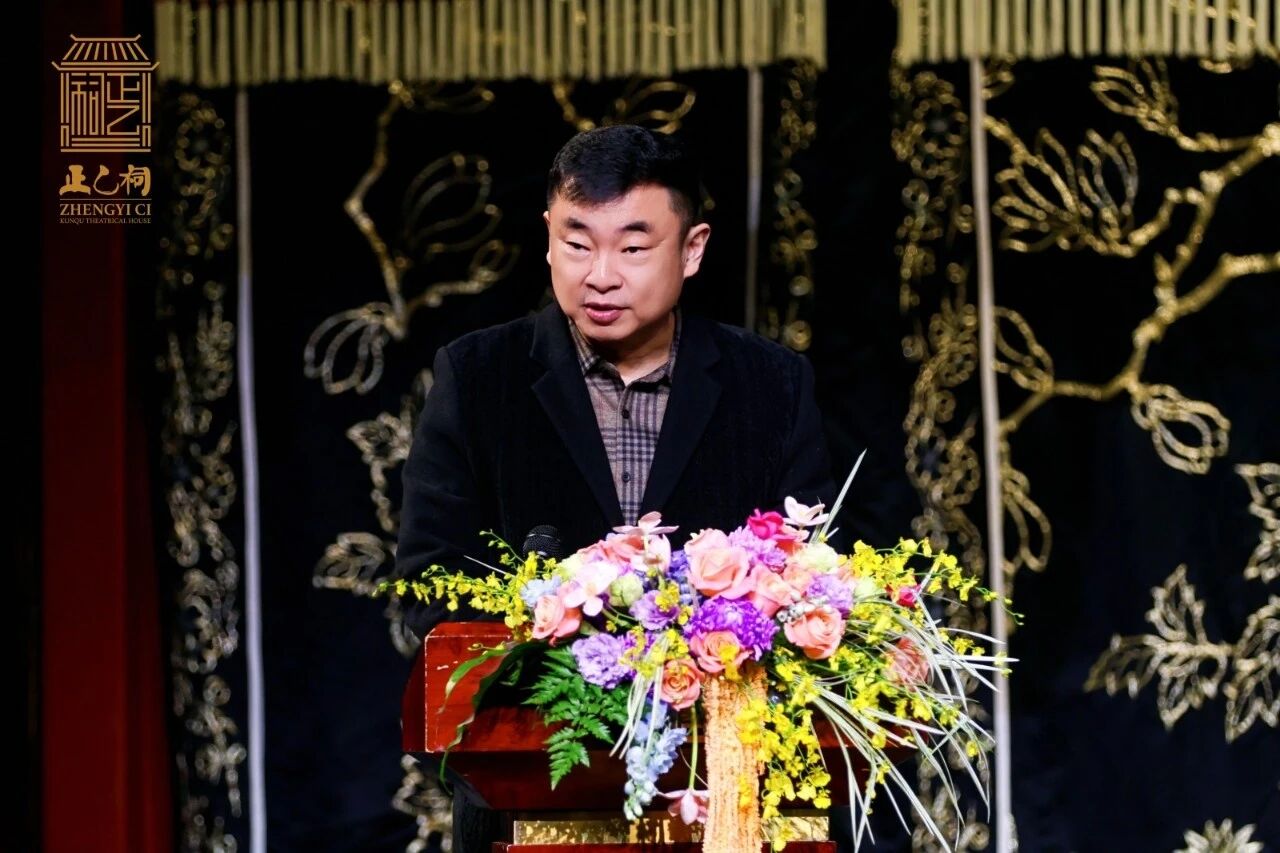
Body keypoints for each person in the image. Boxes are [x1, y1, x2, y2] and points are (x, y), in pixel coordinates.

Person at [395, 124, 838, 852]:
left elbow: (816, 580)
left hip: (730, 800)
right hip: (526, 805)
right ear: (548, 237)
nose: (600, 275)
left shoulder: (770, 385)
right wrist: (572, 637)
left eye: (633, 248)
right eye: (577, 244)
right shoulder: (477, 378)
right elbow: (428, 584)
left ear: (691, 249)